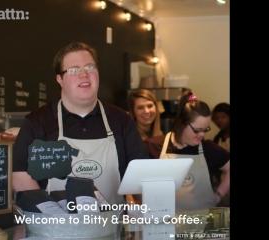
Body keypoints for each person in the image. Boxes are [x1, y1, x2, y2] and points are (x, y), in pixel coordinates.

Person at [12, 42, 149, 205]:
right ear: (60, 79)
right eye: (74, 70)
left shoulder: (121, 120)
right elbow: (20, 176)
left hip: (112, 226)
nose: (84, 74)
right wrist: (49, 216)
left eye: (90, 68)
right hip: (56, 226)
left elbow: (141, 177)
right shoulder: (38, 122)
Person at [144, 91, 230, 210]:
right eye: (197, 130)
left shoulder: (208, 149)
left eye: (205, 130)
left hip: (202, 224)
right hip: (165, 223)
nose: (202, 134)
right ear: (181, 123)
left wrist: (218, 195)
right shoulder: (153, 146)